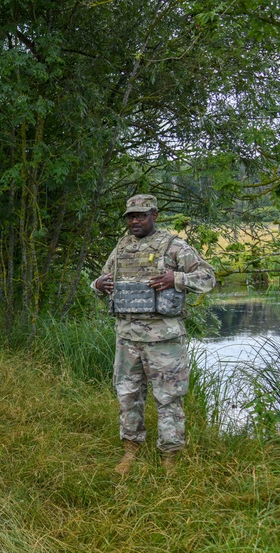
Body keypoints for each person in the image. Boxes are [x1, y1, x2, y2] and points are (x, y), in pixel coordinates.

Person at [92, 194, 216, 473]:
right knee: (127, 394)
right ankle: (130, 450)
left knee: (169, 397)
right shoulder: (121, 247)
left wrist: (178, 278)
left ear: (154, 215)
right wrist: (98, 285)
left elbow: (209, 277)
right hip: (127, 338)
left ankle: (170, 456)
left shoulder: (174, 246)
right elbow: (101, 281)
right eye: (130, 216)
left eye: (141, 215)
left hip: (164, 339)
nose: (135, 221)